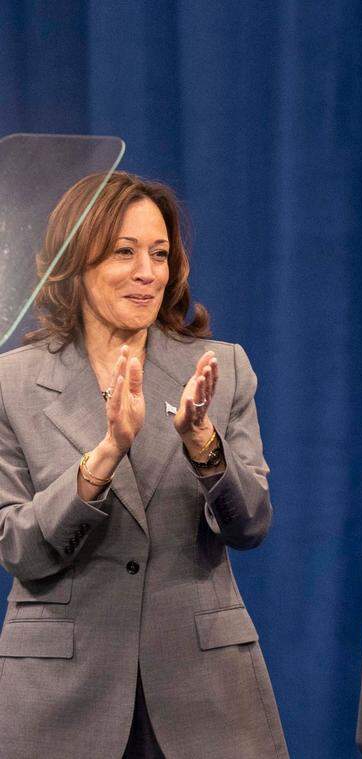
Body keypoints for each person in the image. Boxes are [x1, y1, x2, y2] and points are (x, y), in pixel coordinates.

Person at [0, 172, 287, 758]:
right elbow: (16, 547)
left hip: (203, 697)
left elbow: (251, 525)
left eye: (159, 254)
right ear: (74, 262)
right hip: (62, 698)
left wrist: (203, 445)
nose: (147, 272)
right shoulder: (13, 383)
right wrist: (101, 460)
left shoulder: (220, 368)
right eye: (123, 253)